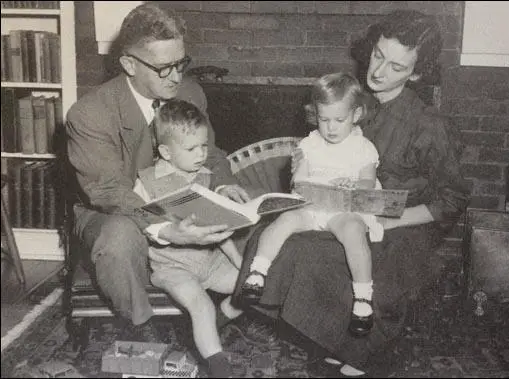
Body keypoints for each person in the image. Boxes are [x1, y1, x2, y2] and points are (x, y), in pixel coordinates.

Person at [232, 9, 471, 377]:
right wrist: (302, 170)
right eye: (378, 55)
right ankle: (335, 336)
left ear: (417, 73)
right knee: (284, 237)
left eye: (396, 66)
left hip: (405, 225)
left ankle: (366, 349)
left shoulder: (430, 125)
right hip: (346, 210)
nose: (378, 71)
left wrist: (387, 221)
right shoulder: (356, 101)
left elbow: (451, 200)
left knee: (321, 251)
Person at [66, 3, 251, 344]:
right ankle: (140, 326)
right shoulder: (88, 113)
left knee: (254, 222)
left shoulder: (191, 93)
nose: (177, 77)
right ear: (128, 65)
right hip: (113, 210)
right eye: (164, 68)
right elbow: (110, 191)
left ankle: (223, 307)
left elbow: (209, 153)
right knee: (119, 239)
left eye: (181, 63)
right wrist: (166, 229)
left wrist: (225, 187)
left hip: (184, 194)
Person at [239, 72, 383, 338]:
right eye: (323, 119)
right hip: (314, 207)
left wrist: (352, 185)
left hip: (345, 209)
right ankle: (258, 272)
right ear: (314, 114)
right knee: (285, 220)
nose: (331, 127)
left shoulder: (364, 147)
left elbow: (368, 183)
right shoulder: (310, 143)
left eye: (339, 120)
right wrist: (300, 180)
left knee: (353, 230)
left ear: (356, 114)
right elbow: (299, 181)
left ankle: (363, 297)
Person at [133, 98, 244, 377]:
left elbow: (220, 231)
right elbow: (140, 222)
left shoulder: (205, 177)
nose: (201, 154)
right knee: (200, 304)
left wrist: (241, 264)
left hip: (210, 261)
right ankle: (219, 366)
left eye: (204, 146)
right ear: (166, 152)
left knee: (254, 286)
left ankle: (219, 319)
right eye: (192, 148)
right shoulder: (147, 182)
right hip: (172, 268)